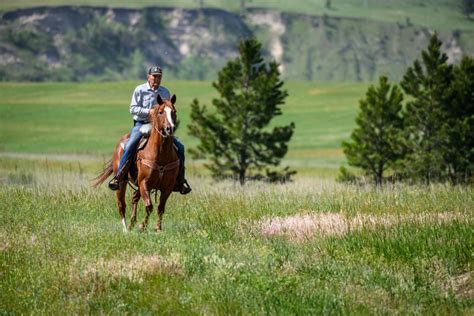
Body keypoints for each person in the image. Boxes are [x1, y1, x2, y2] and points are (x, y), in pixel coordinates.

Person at [108, 65, 192, 194]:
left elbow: (167, 109)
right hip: (142, 124)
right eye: (154, 76)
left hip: (160, 126)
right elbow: (133, 108)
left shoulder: (165, 92)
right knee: (130, 145)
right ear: (148, 77)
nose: (157, 79)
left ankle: (180, 180)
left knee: (180, 147)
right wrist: (150, 112)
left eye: (159, 76)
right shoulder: (140, 90)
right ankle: (119, 176)